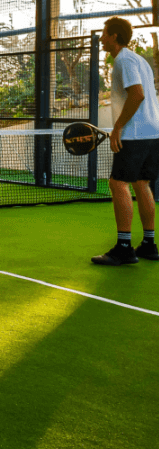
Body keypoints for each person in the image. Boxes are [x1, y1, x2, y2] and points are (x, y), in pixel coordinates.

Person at [92, 17, 159, 265]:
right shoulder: (140, 60)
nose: (101, 39)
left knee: (118, 183)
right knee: (142, 184)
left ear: (114, 37)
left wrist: (118, 127)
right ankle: (149, 244)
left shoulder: (124, 60)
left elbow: (137, 95)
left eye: (104, 34)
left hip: (135, 134)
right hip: (152, 133)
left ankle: (123, 248)